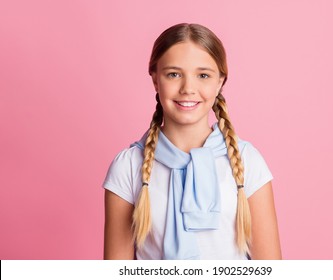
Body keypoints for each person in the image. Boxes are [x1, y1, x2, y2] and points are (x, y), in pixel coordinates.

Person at [102, 23, 282, 260]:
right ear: (156, 79)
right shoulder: (128, 166)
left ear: (219, 82)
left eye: (203, 75)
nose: (188, 88)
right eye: (174, 74)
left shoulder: (248, 161)